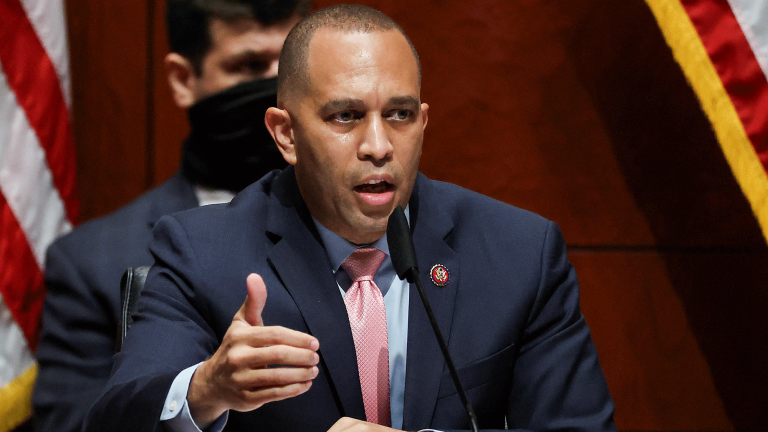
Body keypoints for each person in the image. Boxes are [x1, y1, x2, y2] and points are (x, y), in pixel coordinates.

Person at [84, 5, 617, 432]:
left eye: (400, 115)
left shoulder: (518, 253)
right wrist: (206, 390)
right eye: (346, 116)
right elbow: (113, 420)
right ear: (286, 134)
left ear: (423, 122)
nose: (380, 146)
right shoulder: (204, 252)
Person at [32, 1, 310, 431]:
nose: (276, 88)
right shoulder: (92, 263)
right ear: (183, 80)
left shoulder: (375, 233)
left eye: (291, 66)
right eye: (250, 65)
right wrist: (200, 391)